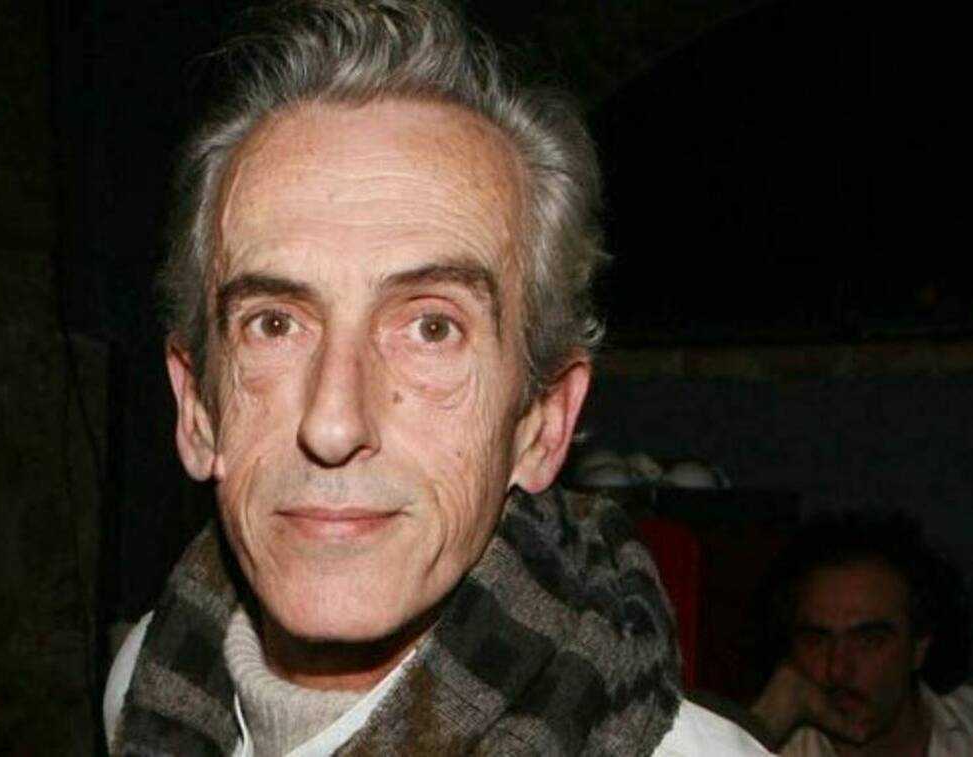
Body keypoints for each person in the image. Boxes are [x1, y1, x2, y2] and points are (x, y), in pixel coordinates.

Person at [103, 1, 768, 753]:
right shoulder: (149, 681)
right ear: (197, 408)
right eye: (275, 324)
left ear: (542, 423)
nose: (333, 423)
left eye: (432, 328)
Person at [748, 510, 973, 756]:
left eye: (868, 641)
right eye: (817, 640)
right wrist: (765, 722)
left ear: (919, 646)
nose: (838, 668)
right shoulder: (772, 748)